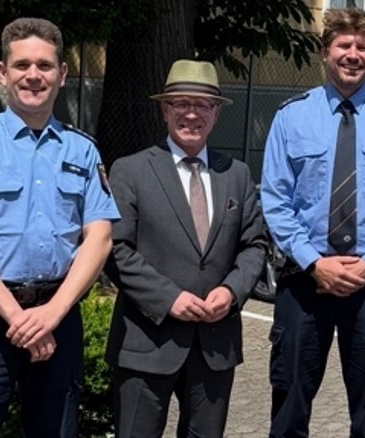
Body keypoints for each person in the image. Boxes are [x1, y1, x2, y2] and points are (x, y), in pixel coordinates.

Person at [0, 17, 120, 437]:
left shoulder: (83, 150)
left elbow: (100, 238)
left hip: (58, 315)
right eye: (21, 65)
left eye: (44, 65)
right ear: (2, 73)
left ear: (62, 74)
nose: (33, 76)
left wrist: (51, 314)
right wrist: (19, 317)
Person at [260, 8, 365, 437]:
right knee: (289, 403)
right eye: (344, 45)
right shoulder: (291, 117)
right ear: (325, 52)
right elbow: (275, 200)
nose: (353, 54)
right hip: (304, 280)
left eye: (363, 46)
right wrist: (314, 262)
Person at [103, 59, 268, 437]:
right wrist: (167, 298)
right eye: (180, 103)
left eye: (203, 105)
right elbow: (116, 249)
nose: (191, 113)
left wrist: (232, 290)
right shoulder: (131, 170)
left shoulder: (237, 175)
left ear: (216, 113)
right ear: (164, 110)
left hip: (215, 343)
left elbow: (254, 245)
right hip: (147, 339)